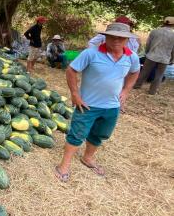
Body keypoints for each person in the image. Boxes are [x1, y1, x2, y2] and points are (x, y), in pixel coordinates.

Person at [54, 23, 140, 182]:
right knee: (77, 135)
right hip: (87, 105)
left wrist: (126, 91)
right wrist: (75, 94)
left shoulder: (132, 57)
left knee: (100, 134)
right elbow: (71, 70)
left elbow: (135, 72)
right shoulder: (91, 53)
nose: (116, 40)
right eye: (113, 36)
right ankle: (63, 166)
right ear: (105, 37)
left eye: (121, 37)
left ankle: (87, 158)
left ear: (127, 39)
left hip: (112, 107)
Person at [133, 16, 174, 95]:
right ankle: (152, 91)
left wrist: (147, 53)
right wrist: (172, 59)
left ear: (164, 22)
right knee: (159, 75)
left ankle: (137, 86)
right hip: (165, 58)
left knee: (144, 72)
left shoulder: (155, 31)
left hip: (151, 55)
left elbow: (148, 44)